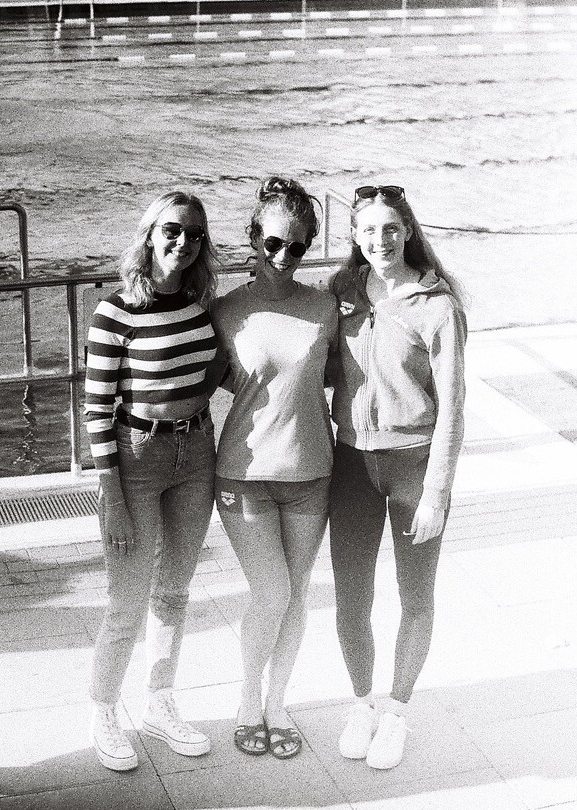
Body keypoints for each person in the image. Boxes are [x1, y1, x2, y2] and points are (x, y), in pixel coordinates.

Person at [328, 184, 466, 771]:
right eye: (368, 230)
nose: (380, 239)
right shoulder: (342, 292)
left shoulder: (438, 306)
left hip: (414, 466)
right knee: (351, 598)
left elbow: (453, 408)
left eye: (390, 228)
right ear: (354, 237)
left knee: (415, 596)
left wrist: (436, 491)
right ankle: (363, 703)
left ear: (407, 231)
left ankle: (397, 711)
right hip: (351, 465)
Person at [84, 190, 219, 772]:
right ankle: (103, 710)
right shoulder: (115, 312)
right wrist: (111, 497)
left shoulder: (199, 305)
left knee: (174, 592)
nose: (183, 242)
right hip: (137, 459)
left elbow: (214, 370)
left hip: (198, 452)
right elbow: (96, 410)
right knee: (127, 600)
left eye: (194, 234)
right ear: (149, 235)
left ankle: (159, 703)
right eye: (172, 230)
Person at [211, 176, 338, 759]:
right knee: (272, 592)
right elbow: (199, 378)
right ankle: (246, 701)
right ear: (253, 238)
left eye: (297, 246)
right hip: (244, 475)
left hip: (312, 473)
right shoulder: (226, 310)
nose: (284, 256)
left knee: (296, 594)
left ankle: (277, 704)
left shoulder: (324, 307)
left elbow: (339, 375)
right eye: (273, 243)